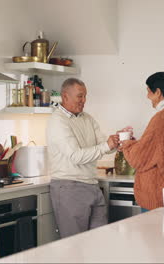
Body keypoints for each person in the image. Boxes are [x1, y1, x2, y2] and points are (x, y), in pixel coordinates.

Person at [47, 78, 119, 238]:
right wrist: (106, 146)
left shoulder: (87, 118)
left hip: (92, 186)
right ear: (65, 97)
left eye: (85, 96)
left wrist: (115, 140)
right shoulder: (57, 121)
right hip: (70, 189)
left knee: (98, 244)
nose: (84, 101)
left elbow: (102, 143)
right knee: (74, 249)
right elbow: (75, 156)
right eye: (80, 96)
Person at [120, 72, 164, 212]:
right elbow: (157, 150)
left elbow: (139, 158)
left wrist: (126, 143)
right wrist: (136, 144)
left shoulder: (161, 119)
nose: (147, 96)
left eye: (148, 92)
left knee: (152, 233)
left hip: (158, 197)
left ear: (158, 92)